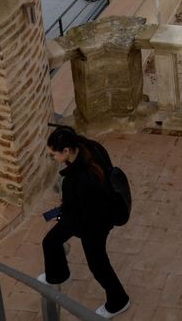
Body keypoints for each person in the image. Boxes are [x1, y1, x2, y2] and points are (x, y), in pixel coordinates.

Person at [39, 126, 130, 317]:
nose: (51, 158)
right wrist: (62, 215)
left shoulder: (80, 180)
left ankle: (119, 300)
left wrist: (60, 217)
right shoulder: (92, 147)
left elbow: (83, 217)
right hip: (87, 213)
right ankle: (58, 275)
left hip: (95, 224)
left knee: (98, 265)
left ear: (66, 151)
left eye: (53, 155)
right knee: (51, 242)